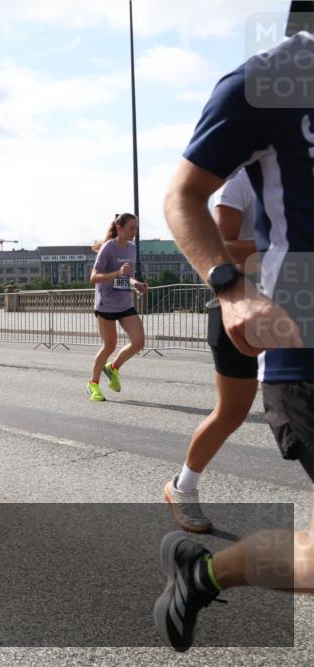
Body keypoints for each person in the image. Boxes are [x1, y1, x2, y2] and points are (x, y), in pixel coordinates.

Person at [153, 9, 312, 652]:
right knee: (227, 409)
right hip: (303, 346)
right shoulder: (272, 77)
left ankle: (202, 573)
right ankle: (195, 521)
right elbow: (183, 198)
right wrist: (231, 288)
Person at [164, 169, 259, 533]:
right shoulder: (242, 181)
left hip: (295, 304)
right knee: (233, 412)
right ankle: (182, 487)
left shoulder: (296, 178)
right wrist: (278, 243)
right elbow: (221, 247)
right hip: (239, 307)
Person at [86, 213, 148, 402]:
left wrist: (136, 283)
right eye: (131, 228)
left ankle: (113, 368)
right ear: (120, 229)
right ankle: (93, 384)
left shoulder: (131, 248)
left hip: (124, 302)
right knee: (109, 345)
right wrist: (116, 273)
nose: (134, 232)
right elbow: (94, 277)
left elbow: (126, 276)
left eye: (136, 228)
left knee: (138, 342)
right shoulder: (108, 248)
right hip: (106, 303)